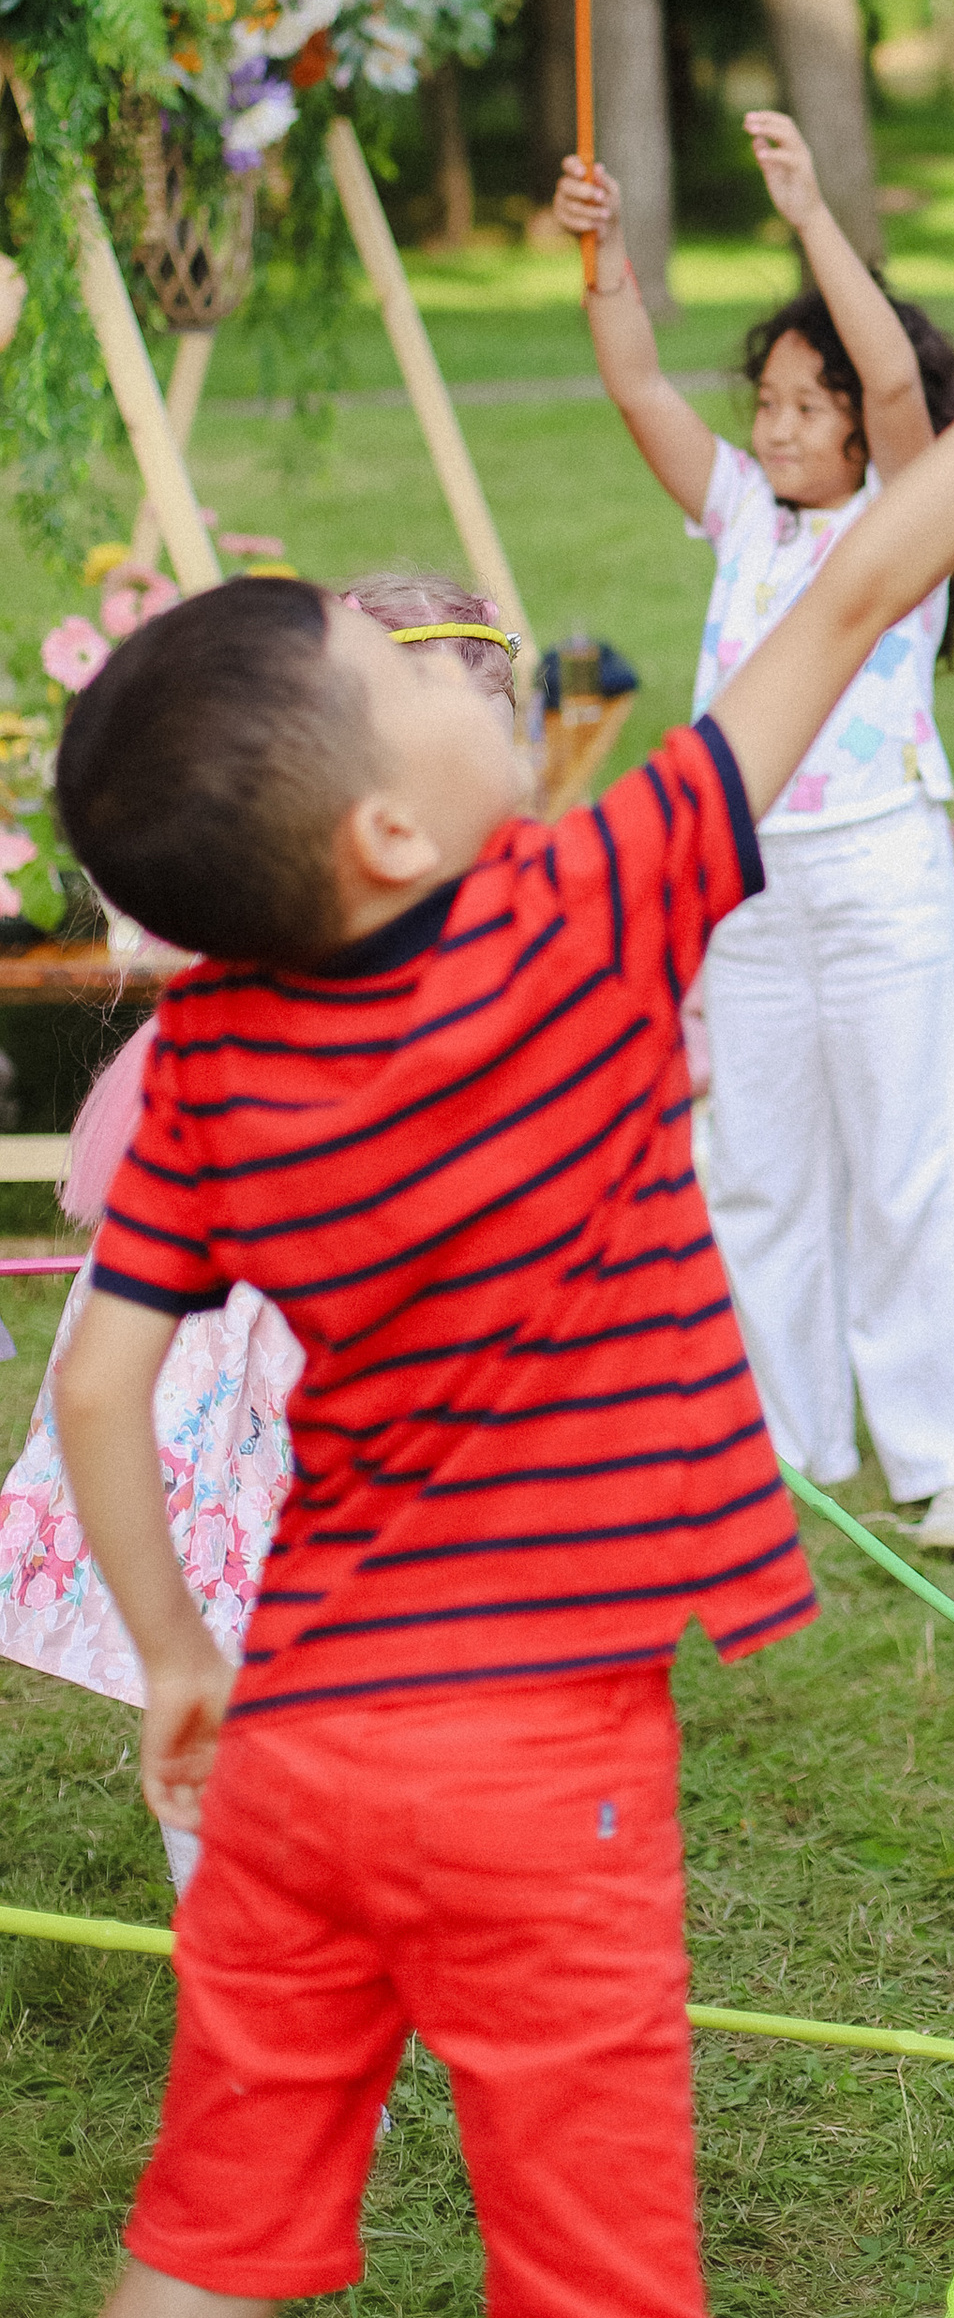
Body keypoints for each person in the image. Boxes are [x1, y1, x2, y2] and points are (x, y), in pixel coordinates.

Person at [42, 180, 954, 2318]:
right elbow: (864, 574)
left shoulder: (200, 1059)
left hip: (292, 1740)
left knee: (205, 2240)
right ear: (390, 833)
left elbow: (105, 1396)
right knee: (583, 2309)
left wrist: (180, 1661)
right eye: (413, 673)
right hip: (532, 1758)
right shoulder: (586, 912)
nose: (473, 661)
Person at [554, 107, 954, 1557]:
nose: (772, 424)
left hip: (882, 869)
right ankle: (774, 1443)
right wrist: (602, 254)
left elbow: (896, 375)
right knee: (761, 1164)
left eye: (801, 403)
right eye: (765, 400)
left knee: (913, 1154)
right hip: (743, 886)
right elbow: (639, 380)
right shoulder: (741, 518)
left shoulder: (903, 522)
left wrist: (810, 216)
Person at [0, 580, 514, 1891]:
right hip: (258, 1376)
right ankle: (247, 1921)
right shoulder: (284, 955)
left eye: (504, 727)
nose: (505, 768)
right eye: (461, 726)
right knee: (244, 1677)